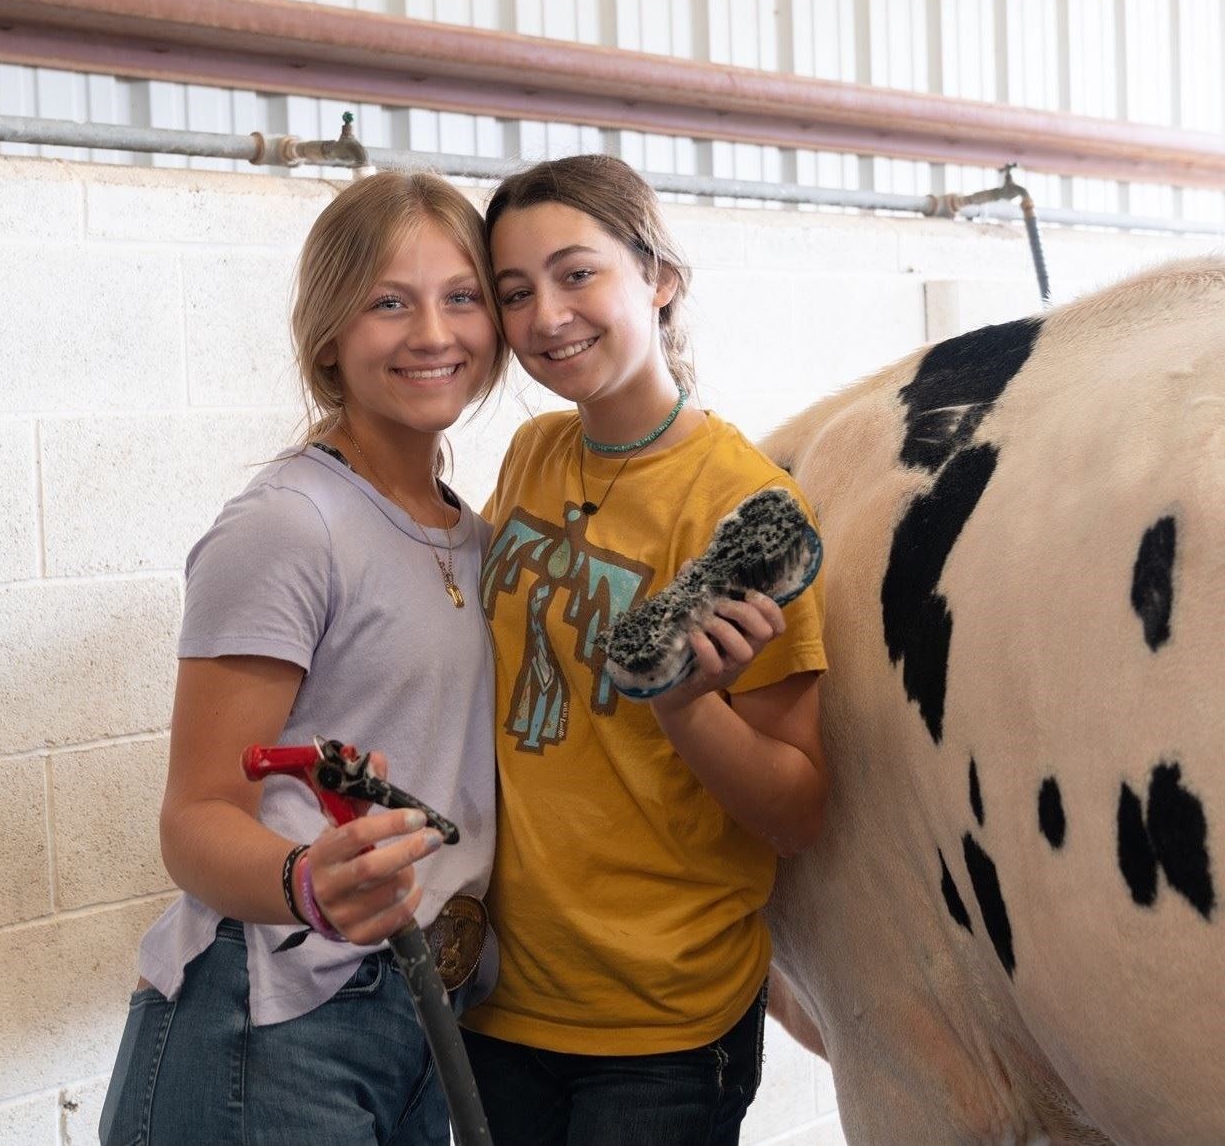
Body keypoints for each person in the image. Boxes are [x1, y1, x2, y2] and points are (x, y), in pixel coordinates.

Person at [100, 171, 508, 1145]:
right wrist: (305, 879)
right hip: (271, 1025)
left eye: (461, 297)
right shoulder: (289, 525)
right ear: (329, 334)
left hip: (418, 1020)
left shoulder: (480, 538)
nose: (431, 333)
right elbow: (195, 815)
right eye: (387, 302)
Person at [461, 155, 829, 1145]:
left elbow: (795, 808)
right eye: (513, 291)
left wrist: (682, 703)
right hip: (500, 996)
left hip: (660, 1025)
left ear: (656, 276)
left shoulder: (740, 504)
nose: (545, 315)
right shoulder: (533, 455)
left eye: (576, 273)